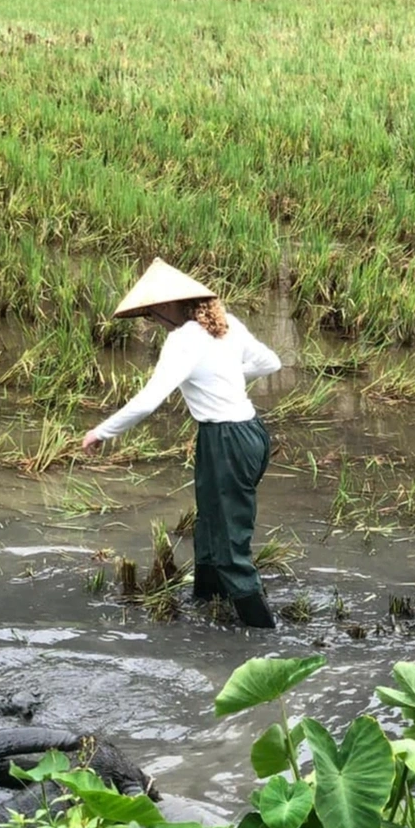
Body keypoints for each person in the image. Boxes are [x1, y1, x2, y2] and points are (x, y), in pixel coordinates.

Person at [81, 258, 281, 628]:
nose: (152, 322)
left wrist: (101, 432)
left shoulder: (183, 339)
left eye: (152, 314)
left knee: (229, 542)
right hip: (247, 433)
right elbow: (270, 362)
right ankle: (207, 603)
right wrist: (225, 376)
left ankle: (262, 633)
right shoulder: (226, 325)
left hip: (227, 440)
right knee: (210, 525)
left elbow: (150, 398)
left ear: (170, 305)